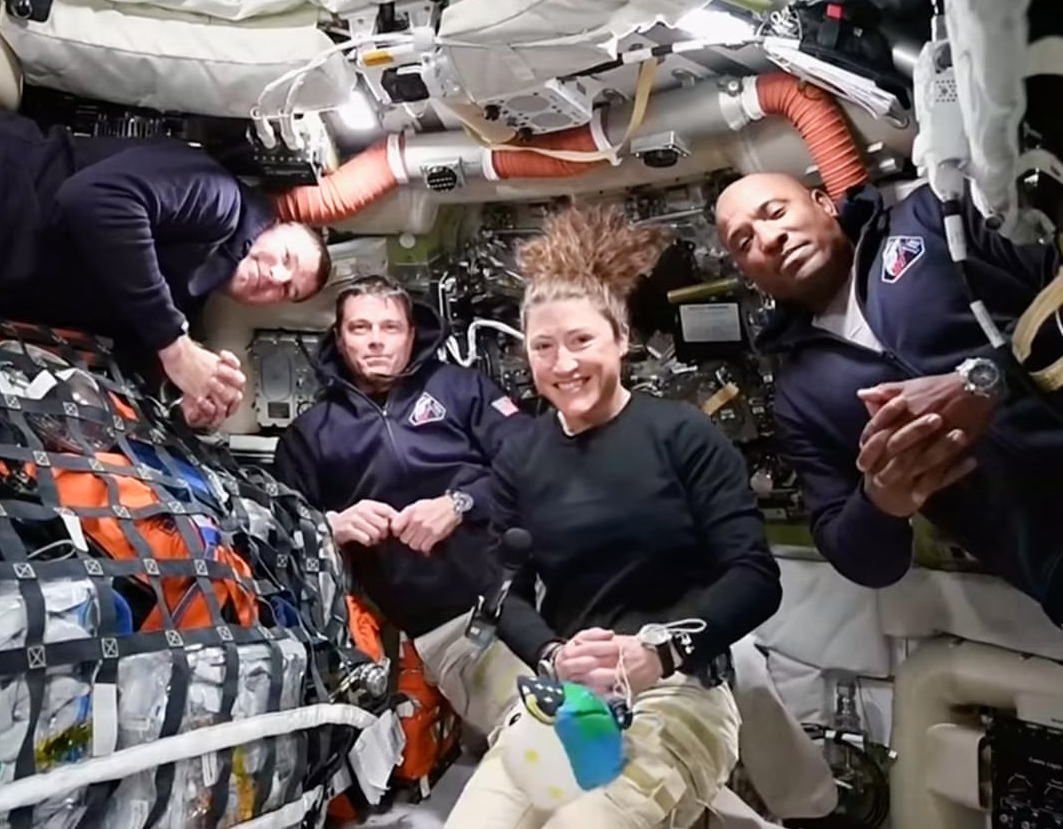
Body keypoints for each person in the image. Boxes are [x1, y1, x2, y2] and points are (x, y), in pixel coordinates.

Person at [445, 205, 783, 829]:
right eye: (543, 347)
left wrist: (660, 652)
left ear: (621, 341)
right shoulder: (521, 455)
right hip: (570, 697)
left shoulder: (682, 435)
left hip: (679, 688)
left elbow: (755, 576)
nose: (563, 364)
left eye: (581, 341)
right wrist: (551, 655)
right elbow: (504, 590)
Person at [0, 78, 331, 429]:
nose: (274, 277)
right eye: (286, 258)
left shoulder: (181, 296)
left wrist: (184, 398)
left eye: (286, 291)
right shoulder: (219, 199)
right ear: (273, 225)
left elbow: (125, 350)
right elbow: (94, 201)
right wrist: (176, 347)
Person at [715, 172, 1063, 624]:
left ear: (823, 203)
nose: (770, 238)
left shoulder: (934, 217)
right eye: (744, 242)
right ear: (746, 272)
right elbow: (863, 562)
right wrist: (881, 500)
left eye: (776, 212)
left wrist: (987, 379)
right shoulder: (799, 397)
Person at [271, 275, 533, 735]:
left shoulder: (461, 390)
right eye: (360, 328)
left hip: (530, 589)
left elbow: (535, 465)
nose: (375, 341)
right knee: (538, 727)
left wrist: (461, 504)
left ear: (412, 335)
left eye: (389, 328)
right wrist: (330, 527)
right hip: (448, 627)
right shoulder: (311, 433)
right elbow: (277, 541)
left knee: (614, 717)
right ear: (339, 337)